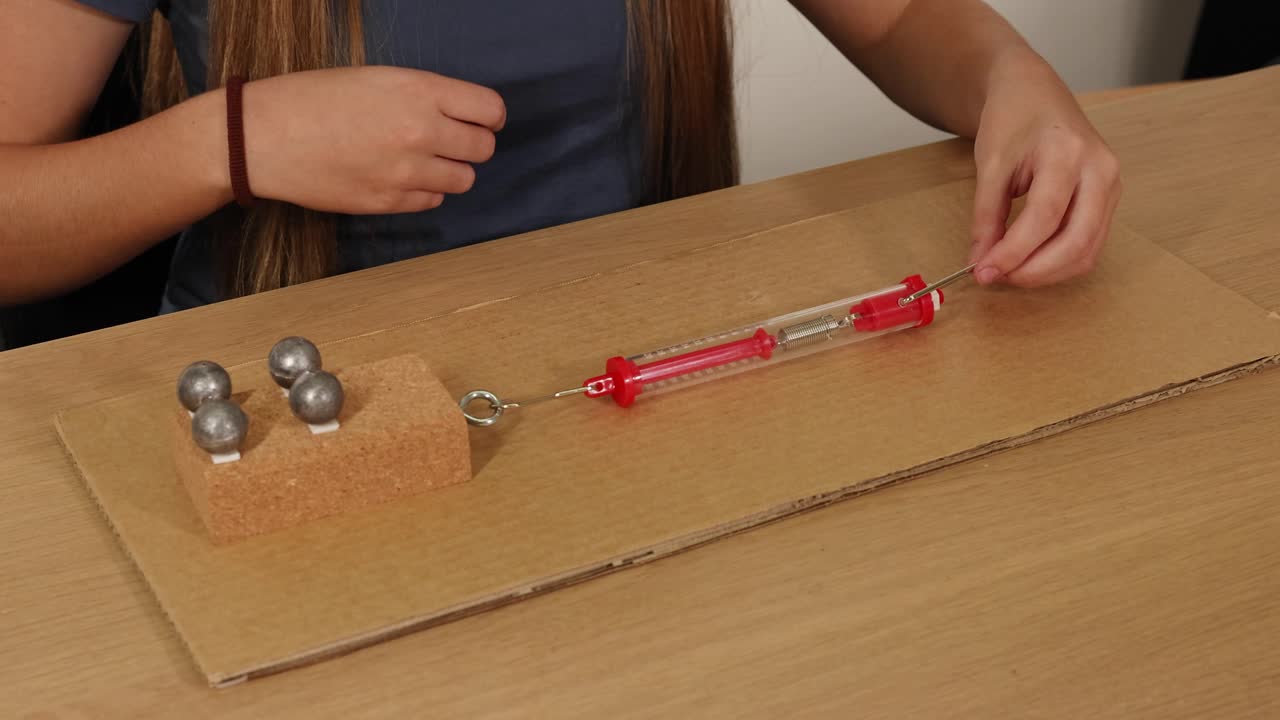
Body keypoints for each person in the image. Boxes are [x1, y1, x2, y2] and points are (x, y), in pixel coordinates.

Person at [0, 0, 1120, 313]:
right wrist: (224, 143)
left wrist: (1011, 82)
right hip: (302, 416)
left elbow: (897, 16)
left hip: (631, 381)